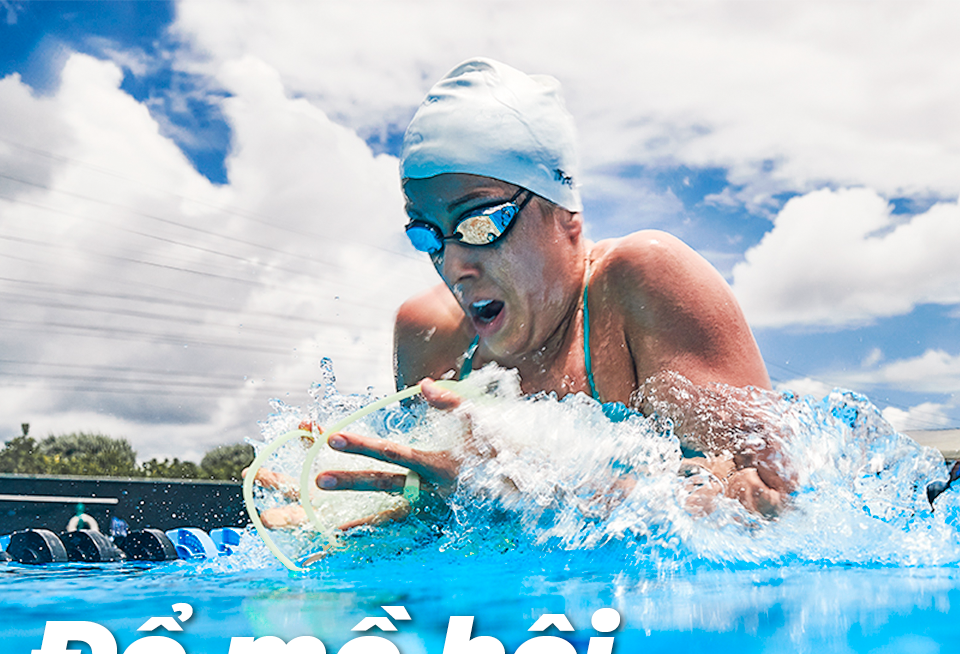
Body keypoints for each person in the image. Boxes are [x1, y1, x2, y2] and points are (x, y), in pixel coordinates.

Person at [260, 58, 794, 527]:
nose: (453, 265)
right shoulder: (431, 337)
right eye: (427, 235)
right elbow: (452, 512)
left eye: (480, 223)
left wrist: (535, 491)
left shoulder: (642, 284)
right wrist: (366, 510)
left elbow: (771, 498)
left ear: (566, 215)